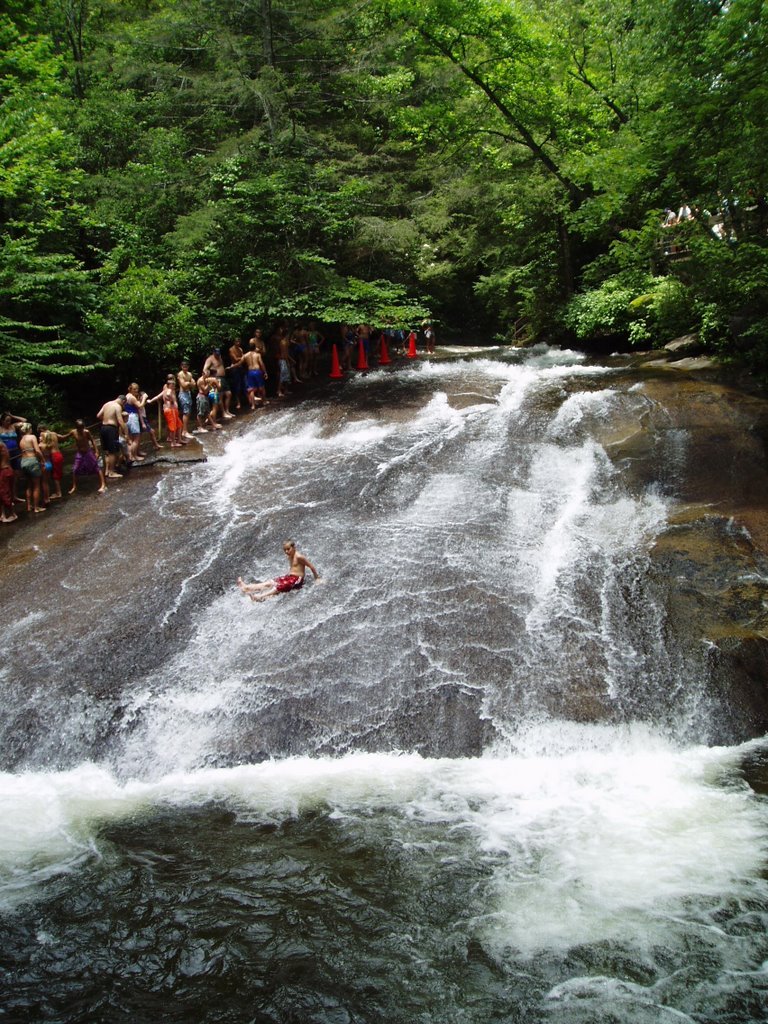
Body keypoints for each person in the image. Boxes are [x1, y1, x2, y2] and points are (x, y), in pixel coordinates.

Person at [237, 540, 321, 602]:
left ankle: (259, 597)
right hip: (290, 577)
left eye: (288, 549)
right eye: (285, 550)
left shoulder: (299, 557)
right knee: (271, 582)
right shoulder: (290, 556)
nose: (286, 551)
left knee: (279, 587)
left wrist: (317, 578)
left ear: (294, 547)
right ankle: (247, 588)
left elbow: (311, 566)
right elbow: (293, 568)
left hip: (297, 579)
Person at [67, 419, 106, 494]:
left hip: (88, 452)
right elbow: (65, 437)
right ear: (77, 428)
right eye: (80, 428)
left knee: (96, 467)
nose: (81, 429)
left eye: (82, 427)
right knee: (75, 469)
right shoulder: (73, 432)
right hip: (80, 453)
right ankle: (74, 486)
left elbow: (92, 441)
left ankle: (103, 484)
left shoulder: (86, 432)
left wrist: (96, 451)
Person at [96, 394, 127, 479]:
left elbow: (98, 415)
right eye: (124, 404)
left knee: (107, 452)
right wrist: (125, 433)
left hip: (103, 428)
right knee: (113, 451)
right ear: (123, 401)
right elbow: (120, 421)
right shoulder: (118, 406)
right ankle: (111, 472)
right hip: (111, 429)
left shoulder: (107, 403)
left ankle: (107, 471)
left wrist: (107, 419)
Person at [18, 423, 46, 513]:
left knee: (29, 484)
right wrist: (43, 461)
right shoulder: (32, 437)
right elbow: (37, 450)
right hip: (32, 461)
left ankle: (29, 506)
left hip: (23, 462)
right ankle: (36, 507)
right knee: (36, 485)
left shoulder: (21, 440)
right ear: (29, 429)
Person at [240, 339, 269, 410]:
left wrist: (232, 366)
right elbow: (261, 364)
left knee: (251, 389)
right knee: (261, 387)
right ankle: (264, 401)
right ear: (254, 347)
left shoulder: (245, 355)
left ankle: (253, 405)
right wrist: (265, 372)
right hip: (257, 371)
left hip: (250, 372)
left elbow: (239, 363)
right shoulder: (258, 354)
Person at [177, 359, 197, 440]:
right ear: (181, 367)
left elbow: (194, 384)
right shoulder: (180, 374)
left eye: (186, 367)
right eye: (183, 367)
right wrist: (189, 383)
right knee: (186, 412)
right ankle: (184, 431)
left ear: (188, 367)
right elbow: (184, 385)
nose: (185, 368)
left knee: (188, 412)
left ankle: (184, 430)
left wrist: (188, 383)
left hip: (188, 393)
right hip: (183, 394)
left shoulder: (189, 374)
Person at [0, 442, 17, 523]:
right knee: (3, 493)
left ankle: (12, 514)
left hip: (4, 471)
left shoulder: (1, 445)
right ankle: (3, 515)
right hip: (6, 470)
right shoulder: (2, 444)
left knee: (5, 493)